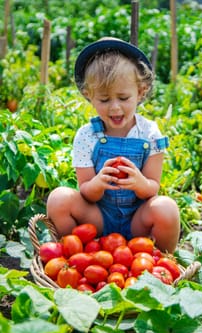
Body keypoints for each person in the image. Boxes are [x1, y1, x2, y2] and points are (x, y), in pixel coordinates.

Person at [47, 37, 180, 253]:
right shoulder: (87, 136)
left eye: (123, 97)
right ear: (88, 96)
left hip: (138, 221)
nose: (115, 107)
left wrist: (140, 183)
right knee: (58, 199)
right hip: (98, 219)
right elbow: (86, 193)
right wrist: (98, 184)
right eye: (104, 100)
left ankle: (162, 262)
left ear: (141, 91)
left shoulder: (150, 133)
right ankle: (75, 257)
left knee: (166, 208)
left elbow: (153, 188)